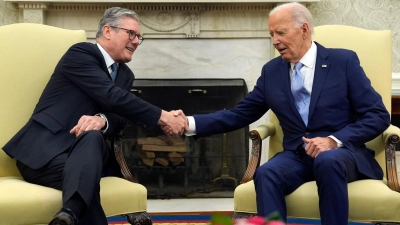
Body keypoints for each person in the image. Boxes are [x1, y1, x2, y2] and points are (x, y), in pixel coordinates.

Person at [172, 2, 390, 225]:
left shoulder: (342, 62)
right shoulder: (272, 71)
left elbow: (378, 115)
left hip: (342, 155)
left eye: (281, 33)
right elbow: (240, 114)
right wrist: (188, 123)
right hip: (297, 156)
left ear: (304, 29)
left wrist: (334, 140)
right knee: (266, 173)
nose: (275, 41)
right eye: (271, 34)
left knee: (327, 160)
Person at [2, 7, 187, 225]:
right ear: (108, 31)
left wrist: (103, 119)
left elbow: (120, 117)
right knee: (87, 180)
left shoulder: (126, 75)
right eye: (131, 34)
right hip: (43, 155)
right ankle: (72, 210)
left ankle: (69, 214)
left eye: (139, 37)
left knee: (92, 137)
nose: (136, 41)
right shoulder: (81, 53)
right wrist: (163, 116)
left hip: (87, 154)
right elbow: (111, 96)